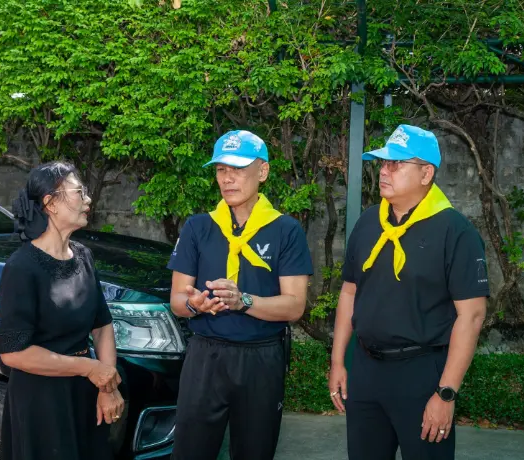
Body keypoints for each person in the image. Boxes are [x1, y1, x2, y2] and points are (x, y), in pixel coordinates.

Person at [329, 125, 489, 460]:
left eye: (397, 164)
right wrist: (338, 361)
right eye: (383, 163)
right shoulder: (369, 222)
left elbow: (472, 316)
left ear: (426, 173)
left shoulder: (455, 231)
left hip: (421, 373)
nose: (384, 171)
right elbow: (349, 292)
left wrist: (446, 393)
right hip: (367, 368)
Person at [167, 130, 314, 460]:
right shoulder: (198, 227)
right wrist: (194, 304)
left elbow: (294, 306)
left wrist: (243, 301)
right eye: (221, 169)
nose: (227, 178)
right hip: (205, 356)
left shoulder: (285, 230)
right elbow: (177, 300)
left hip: (260, 358)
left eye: (237, 168)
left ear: (262, 172)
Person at [0, 162, 124, 460]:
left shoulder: (83, 256)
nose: (88, 200)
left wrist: (107, 387)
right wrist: (90, 368)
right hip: (42, 401)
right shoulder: (21, 268)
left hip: (85, 393)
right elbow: (13, 353)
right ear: (51, 203)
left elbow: (102, 325)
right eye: (79, 192)